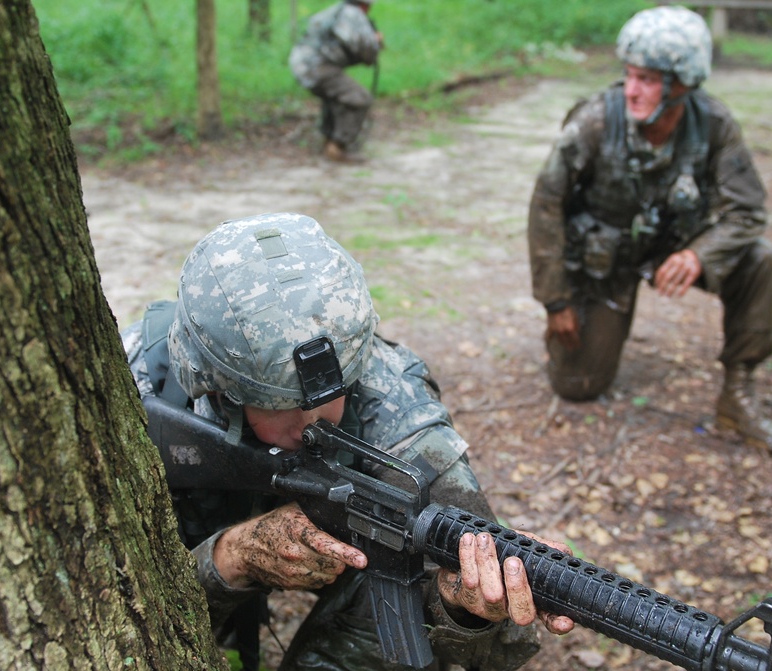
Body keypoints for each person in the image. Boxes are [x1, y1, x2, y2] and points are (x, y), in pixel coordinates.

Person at [122, 212, 574, 671]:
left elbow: (503, 645)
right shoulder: (134, 394)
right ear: (219, 391)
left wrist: (461, 606)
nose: (312, 424)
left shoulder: (393, 402)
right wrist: (232, 557)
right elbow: (119, 607)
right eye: (282, 405)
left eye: (330, 395)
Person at [527, 6, 772, 455]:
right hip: (603, 258)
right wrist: (556, 300)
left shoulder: (714, 125)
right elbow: (546, 204)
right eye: (629, 75)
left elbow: (747, 211)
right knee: (577, 385)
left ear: (682, 83)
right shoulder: (593, 121)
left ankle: (738, 392)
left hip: (674, 244)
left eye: (647, 79)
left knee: (758, 258)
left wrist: (699, 254)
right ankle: (580, 331)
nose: (631, 90)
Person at [289, 0, 382, 162]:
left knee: (336, 97)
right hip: (316, 66)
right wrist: (376, 41)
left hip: (304, 64)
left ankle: (329, 141)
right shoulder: (352, 14)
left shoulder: (335, 11)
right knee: (359, 97)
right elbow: (364, 47)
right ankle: (337, 146)